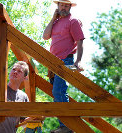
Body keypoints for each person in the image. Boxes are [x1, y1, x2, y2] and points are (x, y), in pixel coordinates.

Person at [43, 0, 85, 132]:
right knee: (56, 93)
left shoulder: (73, 21)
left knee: (58, 91)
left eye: (67, 5)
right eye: (62, 5)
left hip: (65, 61)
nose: (64, 7)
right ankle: (66, 124)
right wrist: (53, 18)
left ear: (70, 7)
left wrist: (78, 61)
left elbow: (80, 41)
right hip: (52, 63)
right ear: (58, 6)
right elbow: (45, 36)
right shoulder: (55, 22)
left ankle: (66, 126)